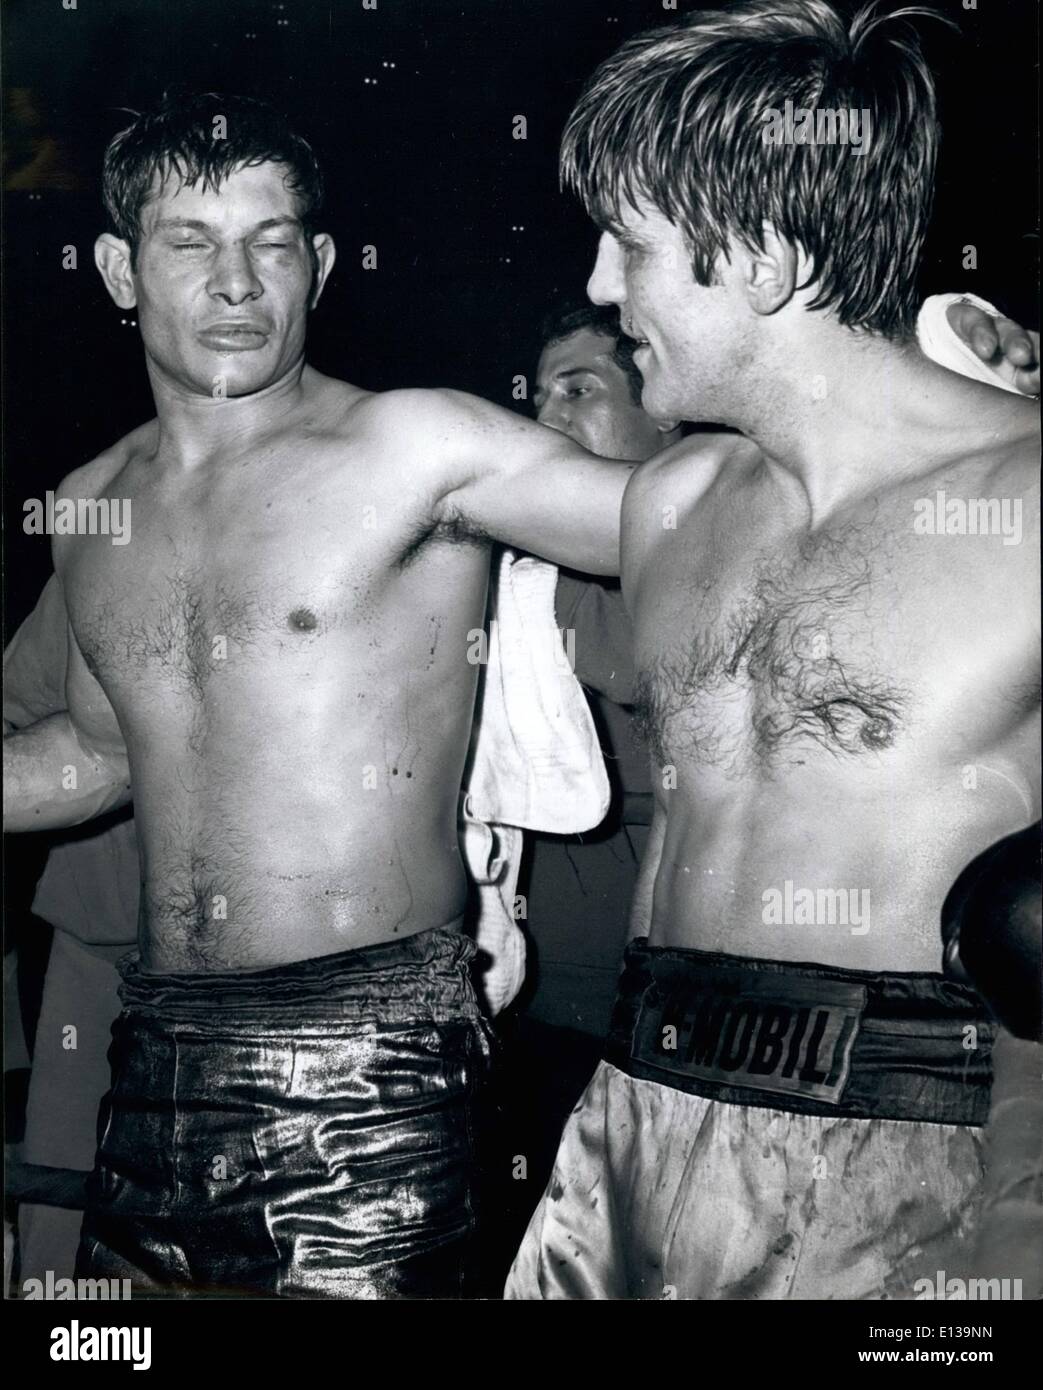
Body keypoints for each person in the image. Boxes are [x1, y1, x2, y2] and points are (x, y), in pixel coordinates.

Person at [2, 90, 638, 1300]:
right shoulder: (94, 502)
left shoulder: (421, 448)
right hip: (154, 1055)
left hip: (367, 1066)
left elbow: (686, 524)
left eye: (272, 241)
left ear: (322, 264)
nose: (236, 281)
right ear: (117, 271)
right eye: (190, 241)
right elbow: (96, 754)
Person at [507, 0, 1040, 1300]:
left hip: (902, 1154)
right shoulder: (670, 507)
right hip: (622, 1123)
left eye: (625, 244)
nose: (593, 286)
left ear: (754, 260)